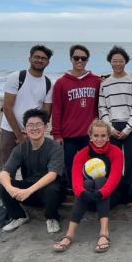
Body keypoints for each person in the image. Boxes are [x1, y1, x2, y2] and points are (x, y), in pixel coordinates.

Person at [52, 120, 124, 253]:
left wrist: (102, 193)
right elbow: (76, 181)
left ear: (108, 136)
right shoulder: (82, 154)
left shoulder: (116, 152)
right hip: (88, 198)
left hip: (110, 196)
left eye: (103, 136)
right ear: (90, 136)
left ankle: (104, 233)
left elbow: (115, 178)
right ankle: (70, 235)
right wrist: (82, 193)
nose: (99, 139)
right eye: (96, 135)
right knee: (87, 183)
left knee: (101, 180)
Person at [0, 108, 65, 234]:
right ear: (25, 129)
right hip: (29, 191)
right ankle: (19, 216)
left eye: (38, 125)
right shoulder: (21, 149)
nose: (34, 128)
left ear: (45, 127)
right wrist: (11, 189)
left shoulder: (55, 148)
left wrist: (28, 191)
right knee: (3, 185)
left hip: (50, 192)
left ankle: (52, 218)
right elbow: (4, 173)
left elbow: (52, 175)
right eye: (30, 125)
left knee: (52, 189)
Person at [51, 44, 101, 192]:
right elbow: (57, 109)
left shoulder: (96, 81)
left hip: (89, 134)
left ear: (88, 60)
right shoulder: (61, 83)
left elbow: (101, 105)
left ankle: (88, 188)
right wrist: (57, 133)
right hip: (68, 133)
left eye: (83, 58)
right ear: (71, 59)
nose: (80, 61)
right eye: (76, 58)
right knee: (69, 164)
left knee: (90, 164)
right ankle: (70, 189)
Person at [0, 44, 53, 169]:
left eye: (43, 58)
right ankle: (6, 189)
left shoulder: (48, 83)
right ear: (30, 59)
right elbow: (7, 107)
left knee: (31, 168)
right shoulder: (17, 77)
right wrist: (19, 135)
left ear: (48, 62)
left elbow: (46, 112)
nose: (39, 60)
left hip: (33, 132)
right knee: (6, 167)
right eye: (36, 57)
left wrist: (32, 132)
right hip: (10, 130)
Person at [98, 45, 132, 203]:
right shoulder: (105, 83)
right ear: (110, 62)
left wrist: (129, 128)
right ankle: (115, 191)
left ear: (126, 62)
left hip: (131, 126)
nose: (117, 64)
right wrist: (109, 128)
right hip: (112, 126)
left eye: (120, 61)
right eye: (114, 61)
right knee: (113, 160)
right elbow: (102, 107)